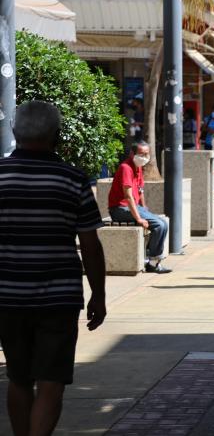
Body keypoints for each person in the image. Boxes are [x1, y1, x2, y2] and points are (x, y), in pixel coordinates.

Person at [0, 101, 106, 436]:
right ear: (56, 136)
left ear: (16, 133)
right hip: (58, 299)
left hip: (7, 297)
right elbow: (90, 244)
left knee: (18, 378)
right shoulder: (73, 180)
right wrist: (98, 296)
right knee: (51, 381)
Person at [109, 142, 172, 273]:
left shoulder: (138, 167)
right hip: (120, 209)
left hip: (134, 207)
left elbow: (140, 190)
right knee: (159, 226)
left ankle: (151, 257)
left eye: (146, 154)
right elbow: (128, 196)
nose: (144, 157)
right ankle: (152, 262)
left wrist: (144, 208)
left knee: (164, 223)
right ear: (132, 154)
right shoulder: (126, 168)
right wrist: (139, 218)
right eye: (141, 154)